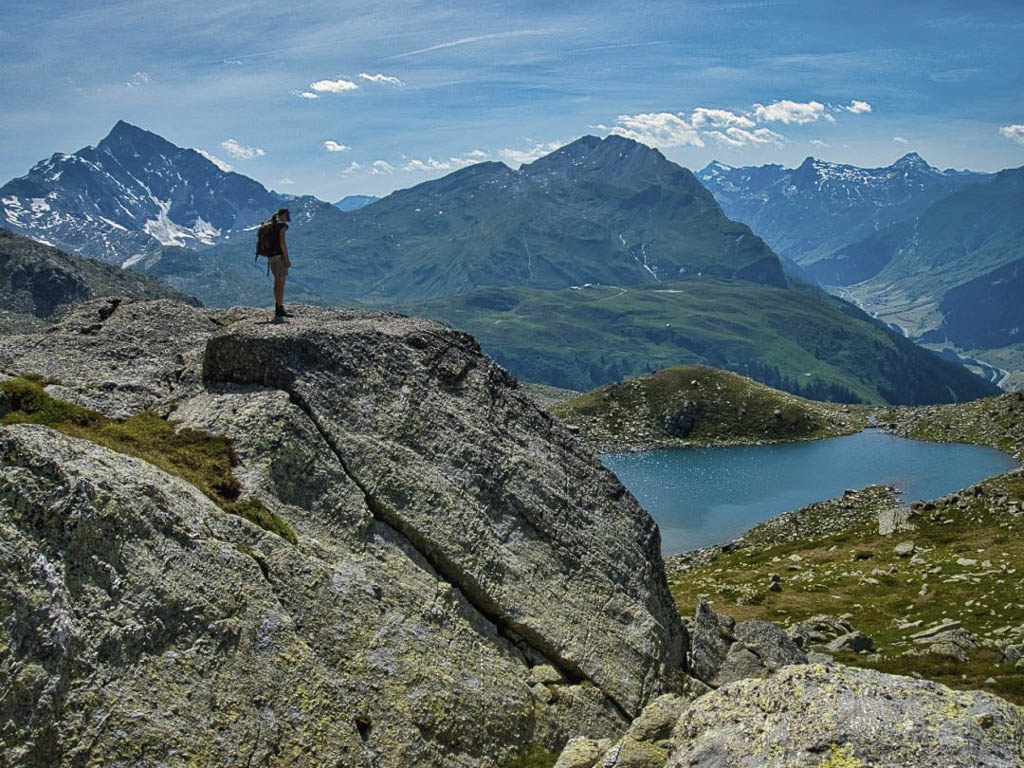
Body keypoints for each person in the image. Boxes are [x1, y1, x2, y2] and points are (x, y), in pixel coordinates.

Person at [267, 208, 292, 318]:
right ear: (284, 215)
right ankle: (279, 309)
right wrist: (286, 259)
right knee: (281, 283)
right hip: (279, 257)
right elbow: (282, 242)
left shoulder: (270, 224)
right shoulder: (282, 226)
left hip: (271, 257)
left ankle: (278, 306)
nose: (288, 218)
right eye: (287, 215)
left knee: (276, 282)